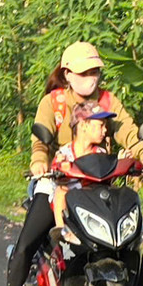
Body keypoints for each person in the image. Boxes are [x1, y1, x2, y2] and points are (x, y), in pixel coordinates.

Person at [0, 40, 143, 286]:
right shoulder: (54, 103)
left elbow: (129, 133)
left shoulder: (109, 102)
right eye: (85, 72)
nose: (92, 78)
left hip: (99, 181)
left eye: (96, 71)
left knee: (131, 244)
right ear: (68, 74)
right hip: (58, 180)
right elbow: (40, 142)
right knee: (29, 238)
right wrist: (39, 162)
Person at [50, 101, 114, 242]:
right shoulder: (64, 153)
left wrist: (120, 162)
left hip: (92, 198)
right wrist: (59, 167)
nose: (105, 130)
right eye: (101, 125)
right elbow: (55, 172)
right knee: (61, 191)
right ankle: (62, 232)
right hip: (71, 200)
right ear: (83, 125)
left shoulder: (100, 153)